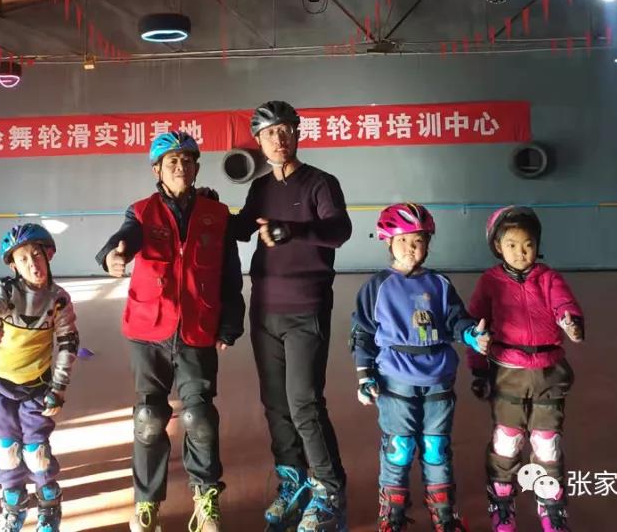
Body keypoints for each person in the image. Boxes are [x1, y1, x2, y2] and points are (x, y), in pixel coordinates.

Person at [98, 130, 245, 532]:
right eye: (172, 161)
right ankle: (146, 502)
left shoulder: (216, 214)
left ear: (196, 168)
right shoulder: (142, 212)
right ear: (157, 170)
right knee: (149, 417)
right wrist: (112, 256)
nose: (181, 167)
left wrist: (230, 323)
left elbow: (230, 274)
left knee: (200, 417)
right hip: (149, 330)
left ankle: (206, 497)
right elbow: (123, 239)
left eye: (187, 160)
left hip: (198, 328)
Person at [232, 101, 352, 532]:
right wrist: (204, 207)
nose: (278, 140)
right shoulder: (261, 188)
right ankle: (293, 482)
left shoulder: (320, 183)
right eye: (269, 133)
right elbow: (241, 227)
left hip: (306, 308)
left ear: (297, 134)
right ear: (259, 142)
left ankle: (329, 490)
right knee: (276, 405)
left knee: (304, 402)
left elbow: (339, 230)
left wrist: (294, 230)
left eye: (285, 131)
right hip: (265, 309)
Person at [351, 203, 490, 532]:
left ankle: (443, 513)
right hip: (395, 378)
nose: (411, 248)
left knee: (436, 447)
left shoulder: (439, 283)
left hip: (438, 377)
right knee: (398, 448)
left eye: (418, 240)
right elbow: (362, 333)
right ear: (388, 241)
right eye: (403, 240)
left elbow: (456, 320)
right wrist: (364, 375)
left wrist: (472, 335)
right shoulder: (377, 286)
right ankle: (392, 514)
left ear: (428, 243)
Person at [468, 206, 585, 532]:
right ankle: (502, 503)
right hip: (508, 373)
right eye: (512, 245)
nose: (521, 252)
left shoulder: (549, 278)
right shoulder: (490, 282)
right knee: (508, 441)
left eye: (528, 244)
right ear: (497, 247)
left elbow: (564, 304)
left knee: (547, 443)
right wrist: (478, 369)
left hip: (549, 373)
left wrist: (571, 322)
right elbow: (476, 326)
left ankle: (552, 507)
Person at [0, 223, 79, 532]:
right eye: (23, 259)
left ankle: (49, 504)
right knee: (6, 450)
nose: (33, 264)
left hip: (36, 387)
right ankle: (13, 505)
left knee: (36, 453)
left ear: (48, 256)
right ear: (14, 266)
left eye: (37, 255)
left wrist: (59, 387)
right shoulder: (8, 292)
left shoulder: (58, 299)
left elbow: (68, 343)